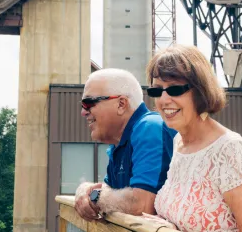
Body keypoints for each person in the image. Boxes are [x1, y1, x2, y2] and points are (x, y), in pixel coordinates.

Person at [146, 44, 242, 232]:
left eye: (175, 89)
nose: (164, 99)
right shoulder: (179, 143)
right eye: (156, 90)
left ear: (200, 92)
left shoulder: (229, 149)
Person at [73, 68, 177, 222]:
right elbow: (111, 192)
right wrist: (85, 189)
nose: (83, 112)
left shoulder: (149, 128)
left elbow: (141, 205)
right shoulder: (120, 142)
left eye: (88, 103)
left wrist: (95, 197)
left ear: (121, 104)